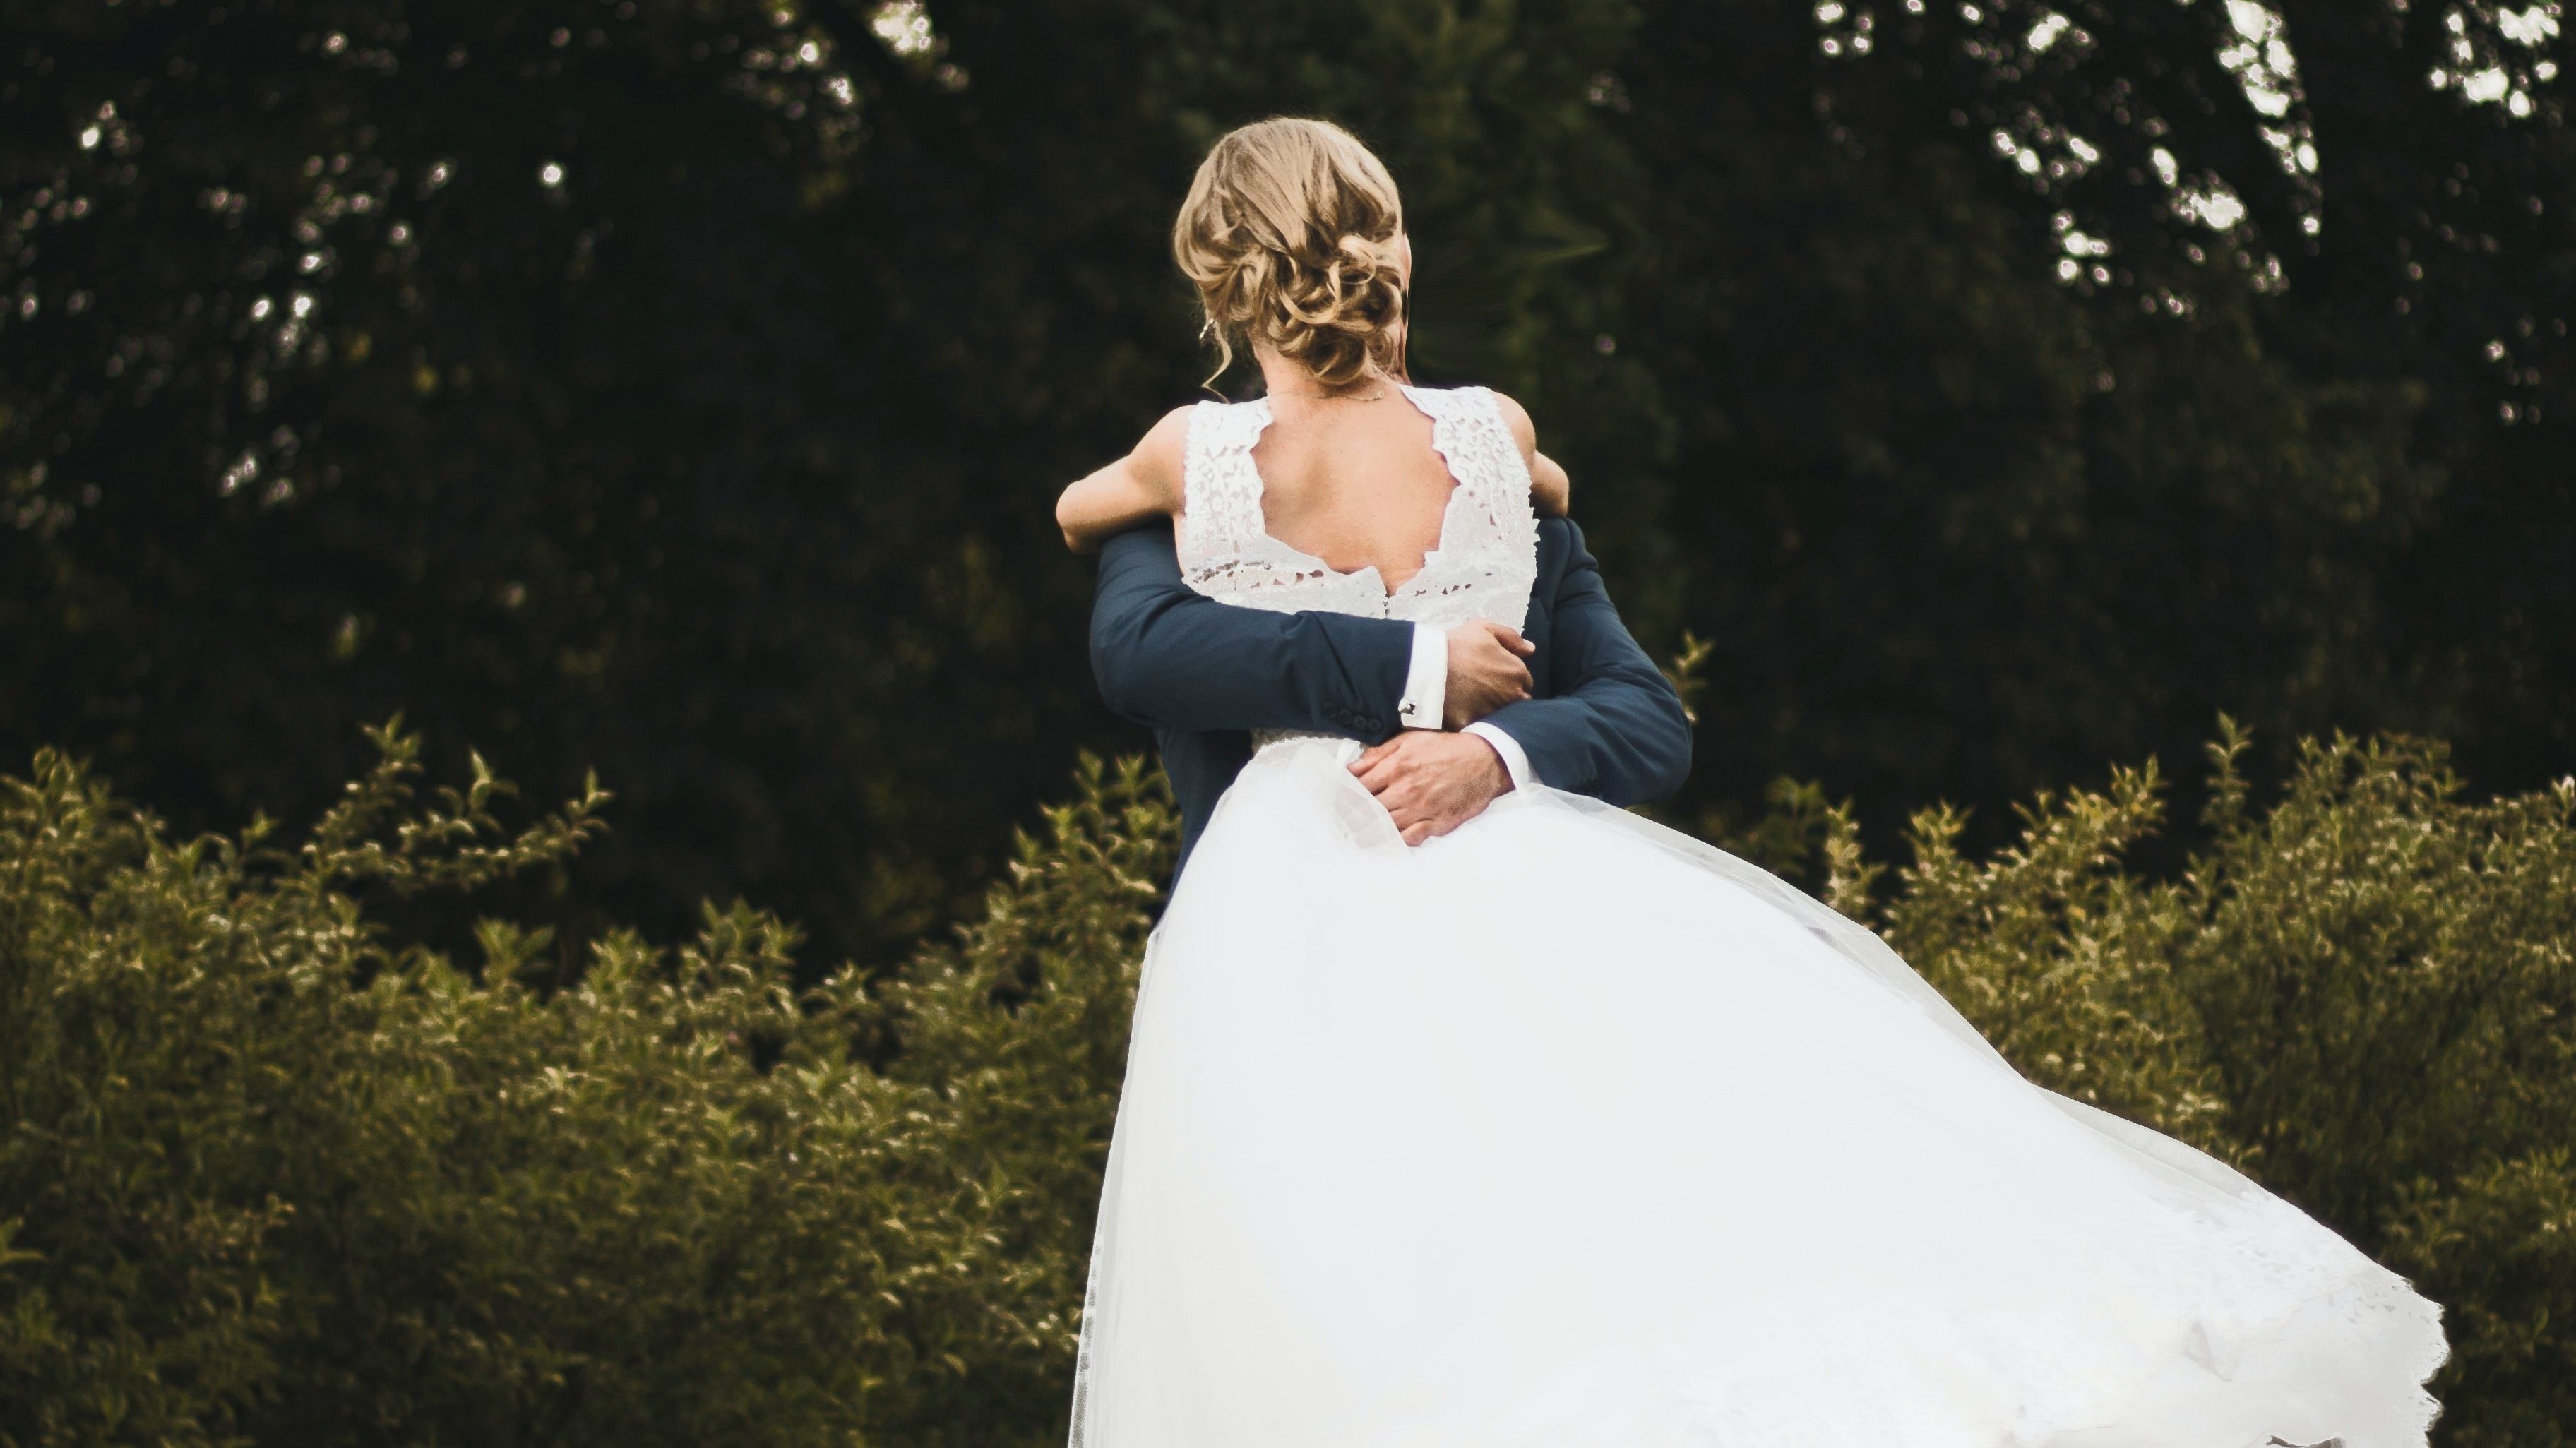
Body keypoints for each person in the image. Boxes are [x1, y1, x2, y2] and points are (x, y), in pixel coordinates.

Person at [1052, 116, 2447, 1448]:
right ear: (1387, 252)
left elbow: (1641, 717)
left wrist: (1496, 751)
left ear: (1217, 275)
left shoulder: (1184, 469)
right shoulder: (1487, 452)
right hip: (1389, 945)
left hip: (1374, 937)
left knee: (1494, 1306)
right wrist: (1428, 669)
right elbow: (1146, 655)